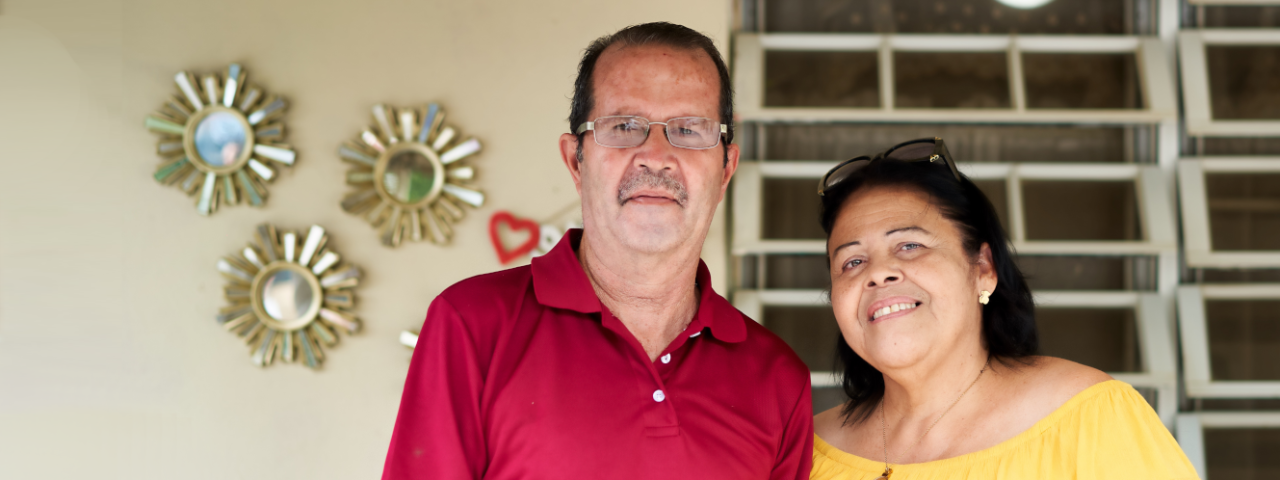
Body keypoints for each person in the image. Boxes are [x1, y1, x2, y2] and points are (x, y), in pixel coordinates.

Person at [381, 22, 813, 479]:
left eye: (688, 129)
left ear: (725, 169)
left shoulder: (778, 379)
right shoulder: (471, 325)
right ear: (575, 160)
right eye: (625, 126)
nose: (656, 155)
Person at [808, 138, 1198, 480]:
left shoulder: (1091, 417)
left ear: (983, 269)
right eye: (852, 262)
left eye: (910, 245)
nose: (879, 273)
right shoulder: (806, 451)